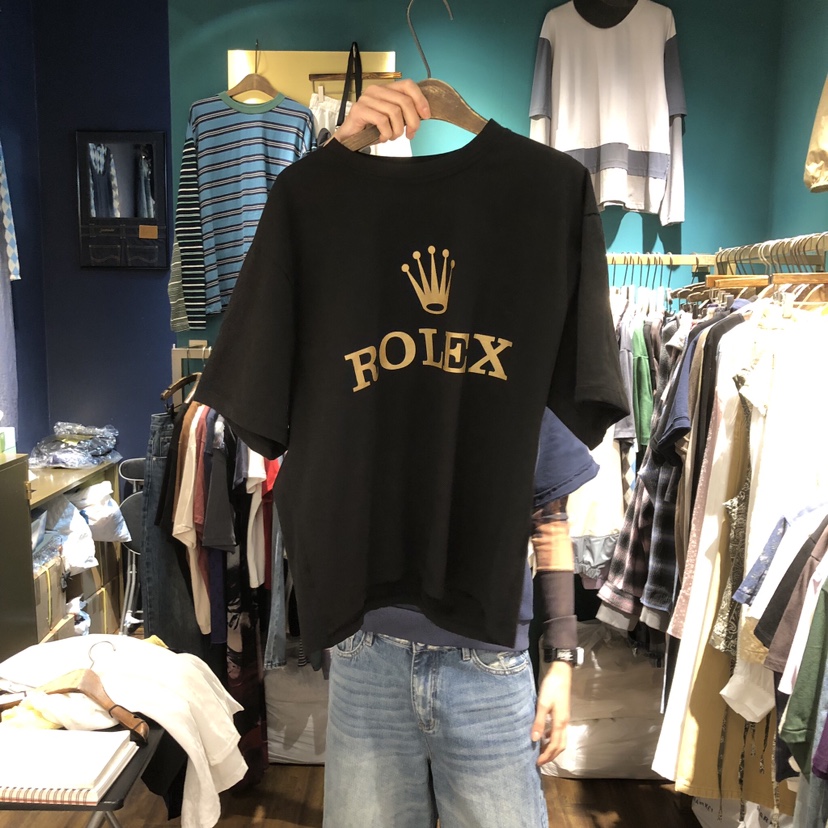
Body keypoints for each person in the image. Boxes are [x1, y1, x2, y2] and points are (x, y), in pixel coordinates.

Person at [321, 85, 594, 828]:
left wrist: (562, 660)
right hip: (368, 648)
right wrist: (336, 152)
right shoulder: (339, 301)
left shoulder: (519, 318)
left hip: (487, 656)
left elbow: (549, 513)